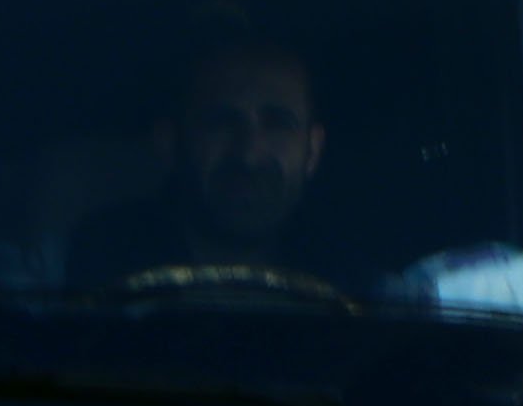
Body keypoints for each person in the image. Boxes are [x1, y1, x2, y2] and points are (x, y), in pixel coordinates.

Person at [73, 27, 345, 284]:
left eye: (278, 124)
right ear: (169, 141)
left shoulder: (354, 283)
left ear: (313, 149)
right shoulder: (91, 263)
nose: (248, 155)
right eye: (222, 123)